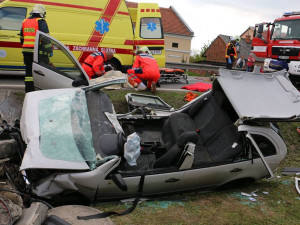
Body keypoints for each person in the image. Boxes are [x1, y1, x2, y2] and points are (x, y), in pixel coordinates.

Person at [20, 4, 49, 93]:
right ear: (41, 13)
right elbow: (46, 38)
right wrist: (49, 50)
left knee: (29, 72)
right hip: (37, 51)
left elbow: (21, 37)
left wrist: (24, 45)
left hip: (26, 51)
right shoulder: (41, 21)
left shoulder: (25, 21)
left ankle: (29, 91)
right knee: (39, 71)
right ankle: (39, 91)